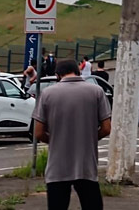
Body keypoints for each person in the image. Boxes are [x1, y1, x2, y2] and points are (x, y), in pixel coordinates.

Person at [33, 59, 111, 210]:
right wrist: (90, 138)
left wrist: (54, 140)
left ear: (57, 75)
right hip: (86, 165)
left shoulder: (47, 93)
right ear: (79, 71)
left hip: (57, 166)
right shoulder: (96, 91)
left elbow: (38, 132)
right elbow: (107, 128)